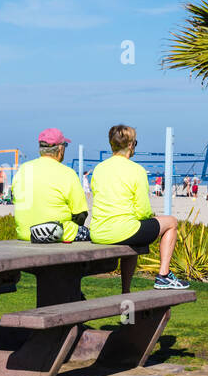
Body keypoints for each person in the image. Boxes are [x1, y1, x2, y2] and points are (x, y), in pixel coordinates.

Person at [90, 124, 187, 291]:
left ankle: (126, 290)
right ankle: (163, 276)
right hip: (123, 230)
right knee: (171, 222)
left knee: (133, 235)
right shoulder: (137, 170)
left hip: (98, 232)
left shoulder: (99, 169)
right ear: (130, 145)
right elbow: (143, 211)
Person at [11, 127, 90, 244]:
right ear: (60, 149)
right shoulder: (68, 173)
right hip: (57, 234)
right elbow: (80, 215)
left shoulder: (23, 170)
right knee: (90, 233)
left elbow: (15, 199)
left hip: (26, 234)